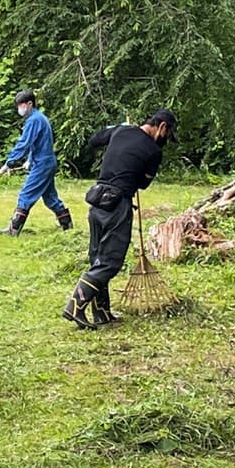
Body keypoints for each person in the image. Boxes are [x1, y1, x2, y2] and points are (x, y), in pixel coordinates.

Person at [63, 108, 178, 330]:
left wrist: (119, 131)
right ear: (162, 127)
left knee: (98, 257)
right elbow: (143, 184)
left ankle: (101, 312)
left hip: (97, 200)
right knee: (110, 261)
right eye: (167, 135)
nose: (165, 141)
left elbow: (95, 139)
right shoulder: (153, 151)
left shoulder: (121, 131)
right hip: (118, 205)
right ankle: (75, 305)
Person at [0, 90, 72, 236]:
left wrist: (8, 163)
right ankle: (67, 226)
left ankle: (13, 229)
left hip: (42, 164)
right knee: (50, 198)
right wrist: (29, 160)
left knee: (25, 195)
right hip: (45, 162)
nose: (19, 109)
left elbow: (24, 143)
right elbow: (37, 143)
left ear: (30, 104)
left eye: (21, 105)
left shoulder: (34, 120)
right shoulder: (39, 118)